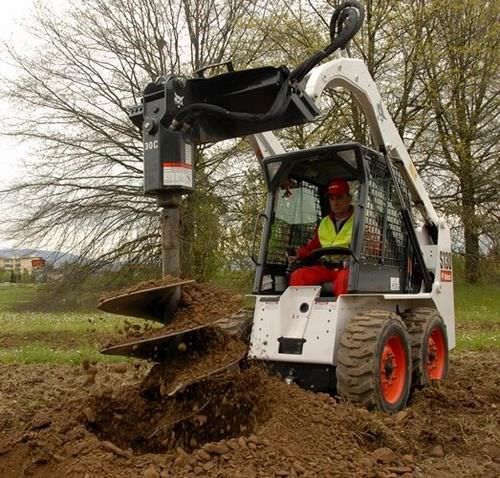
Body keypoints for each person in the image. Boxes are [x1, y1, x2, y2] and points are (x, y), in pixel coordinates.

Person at [288, 178, 353, 296]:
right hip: (327, 269)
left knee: (344, 280)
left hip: (349, 269)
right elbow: (313, 247)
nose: (335, 203)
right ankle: (300, 313)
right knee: (299, 276)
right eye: (331, 198)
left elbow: (373, 248)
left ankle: (342, 314)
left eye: (339, 197)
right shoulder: (324, 223)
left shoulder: (360, 220)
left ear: (349, 198)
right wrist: (298, 254)